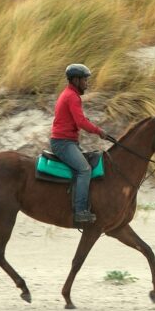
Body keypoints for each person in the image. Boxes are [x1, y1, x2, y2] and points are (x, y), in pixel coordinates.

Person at [50, 64, 107, 224]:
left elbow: (79, 119)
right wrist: (99, 131)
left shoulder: (69, 94)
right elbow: (80, 121)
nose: (87, 84)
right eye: (85, 80)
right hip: (63, 143)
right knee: (84, 170)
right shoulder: (72, 97)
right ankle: (80, 211)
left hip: (68, 142)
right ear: (75, 80)